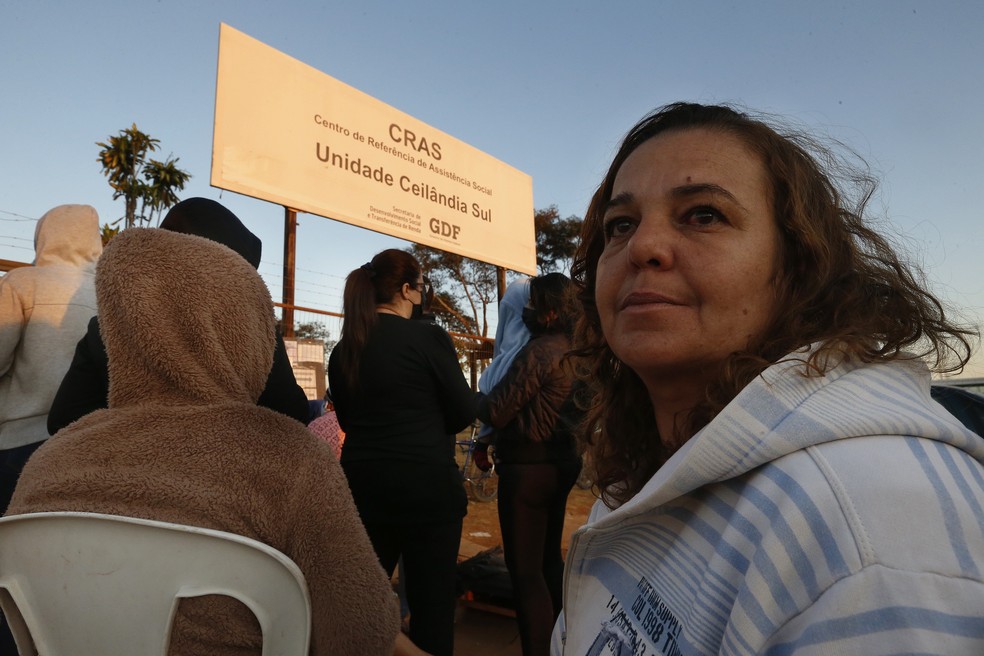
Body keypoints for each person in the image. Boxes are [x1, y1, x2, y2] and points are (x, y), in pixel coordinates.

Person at [553, 103, 984, 654]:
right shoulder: (643, 467)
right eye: (621, 225)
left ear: (800, 265)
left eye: (703, 215)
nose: (642, 247)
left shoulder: (870, 531)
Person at [6, 228, 413, 655]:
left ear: (114, 330)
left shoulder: (47, 464)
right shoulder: (291, 460)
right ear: (249, 335)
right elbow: (360, 634)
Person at [45, 197, 311, 433]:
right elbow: (292, 416)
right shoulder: (255, 335)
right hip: (227, 481)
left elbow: (64, 420)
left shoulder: (110, 328)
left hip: (128, 478)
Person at [328, 249, 478, 656]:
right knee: (431, 608)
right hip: (427, 488)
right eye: (421, 287)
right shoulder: (428, 337)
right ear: (410, 291)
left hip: (362, 487)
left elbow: (348, 419)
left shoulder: (344, 350)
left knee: (364, 605)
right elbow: (464, 409)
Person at [476, 272, 583, 656]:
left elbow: (499, 410)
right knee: (548, 561)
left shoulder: (540, 351)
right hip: (561, 464)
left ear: (551, 311)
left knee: (525, 573)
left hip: (527, 470)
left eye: (534, 303)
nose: (527, 310)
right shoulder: (574, 351)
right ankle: (560, 644)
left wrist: (470, 398)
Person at [1, 204, 102, 514]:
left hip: (17, 443)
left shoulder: (21, 282)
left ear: (43, 236)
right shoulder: (106, 294)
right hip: (83, 450)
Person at [475, 277, 532, 447]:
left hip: (523, 455)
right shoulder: (564, 345)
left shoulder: (526, 356)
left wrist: (475, 400)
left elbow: (494, 409)